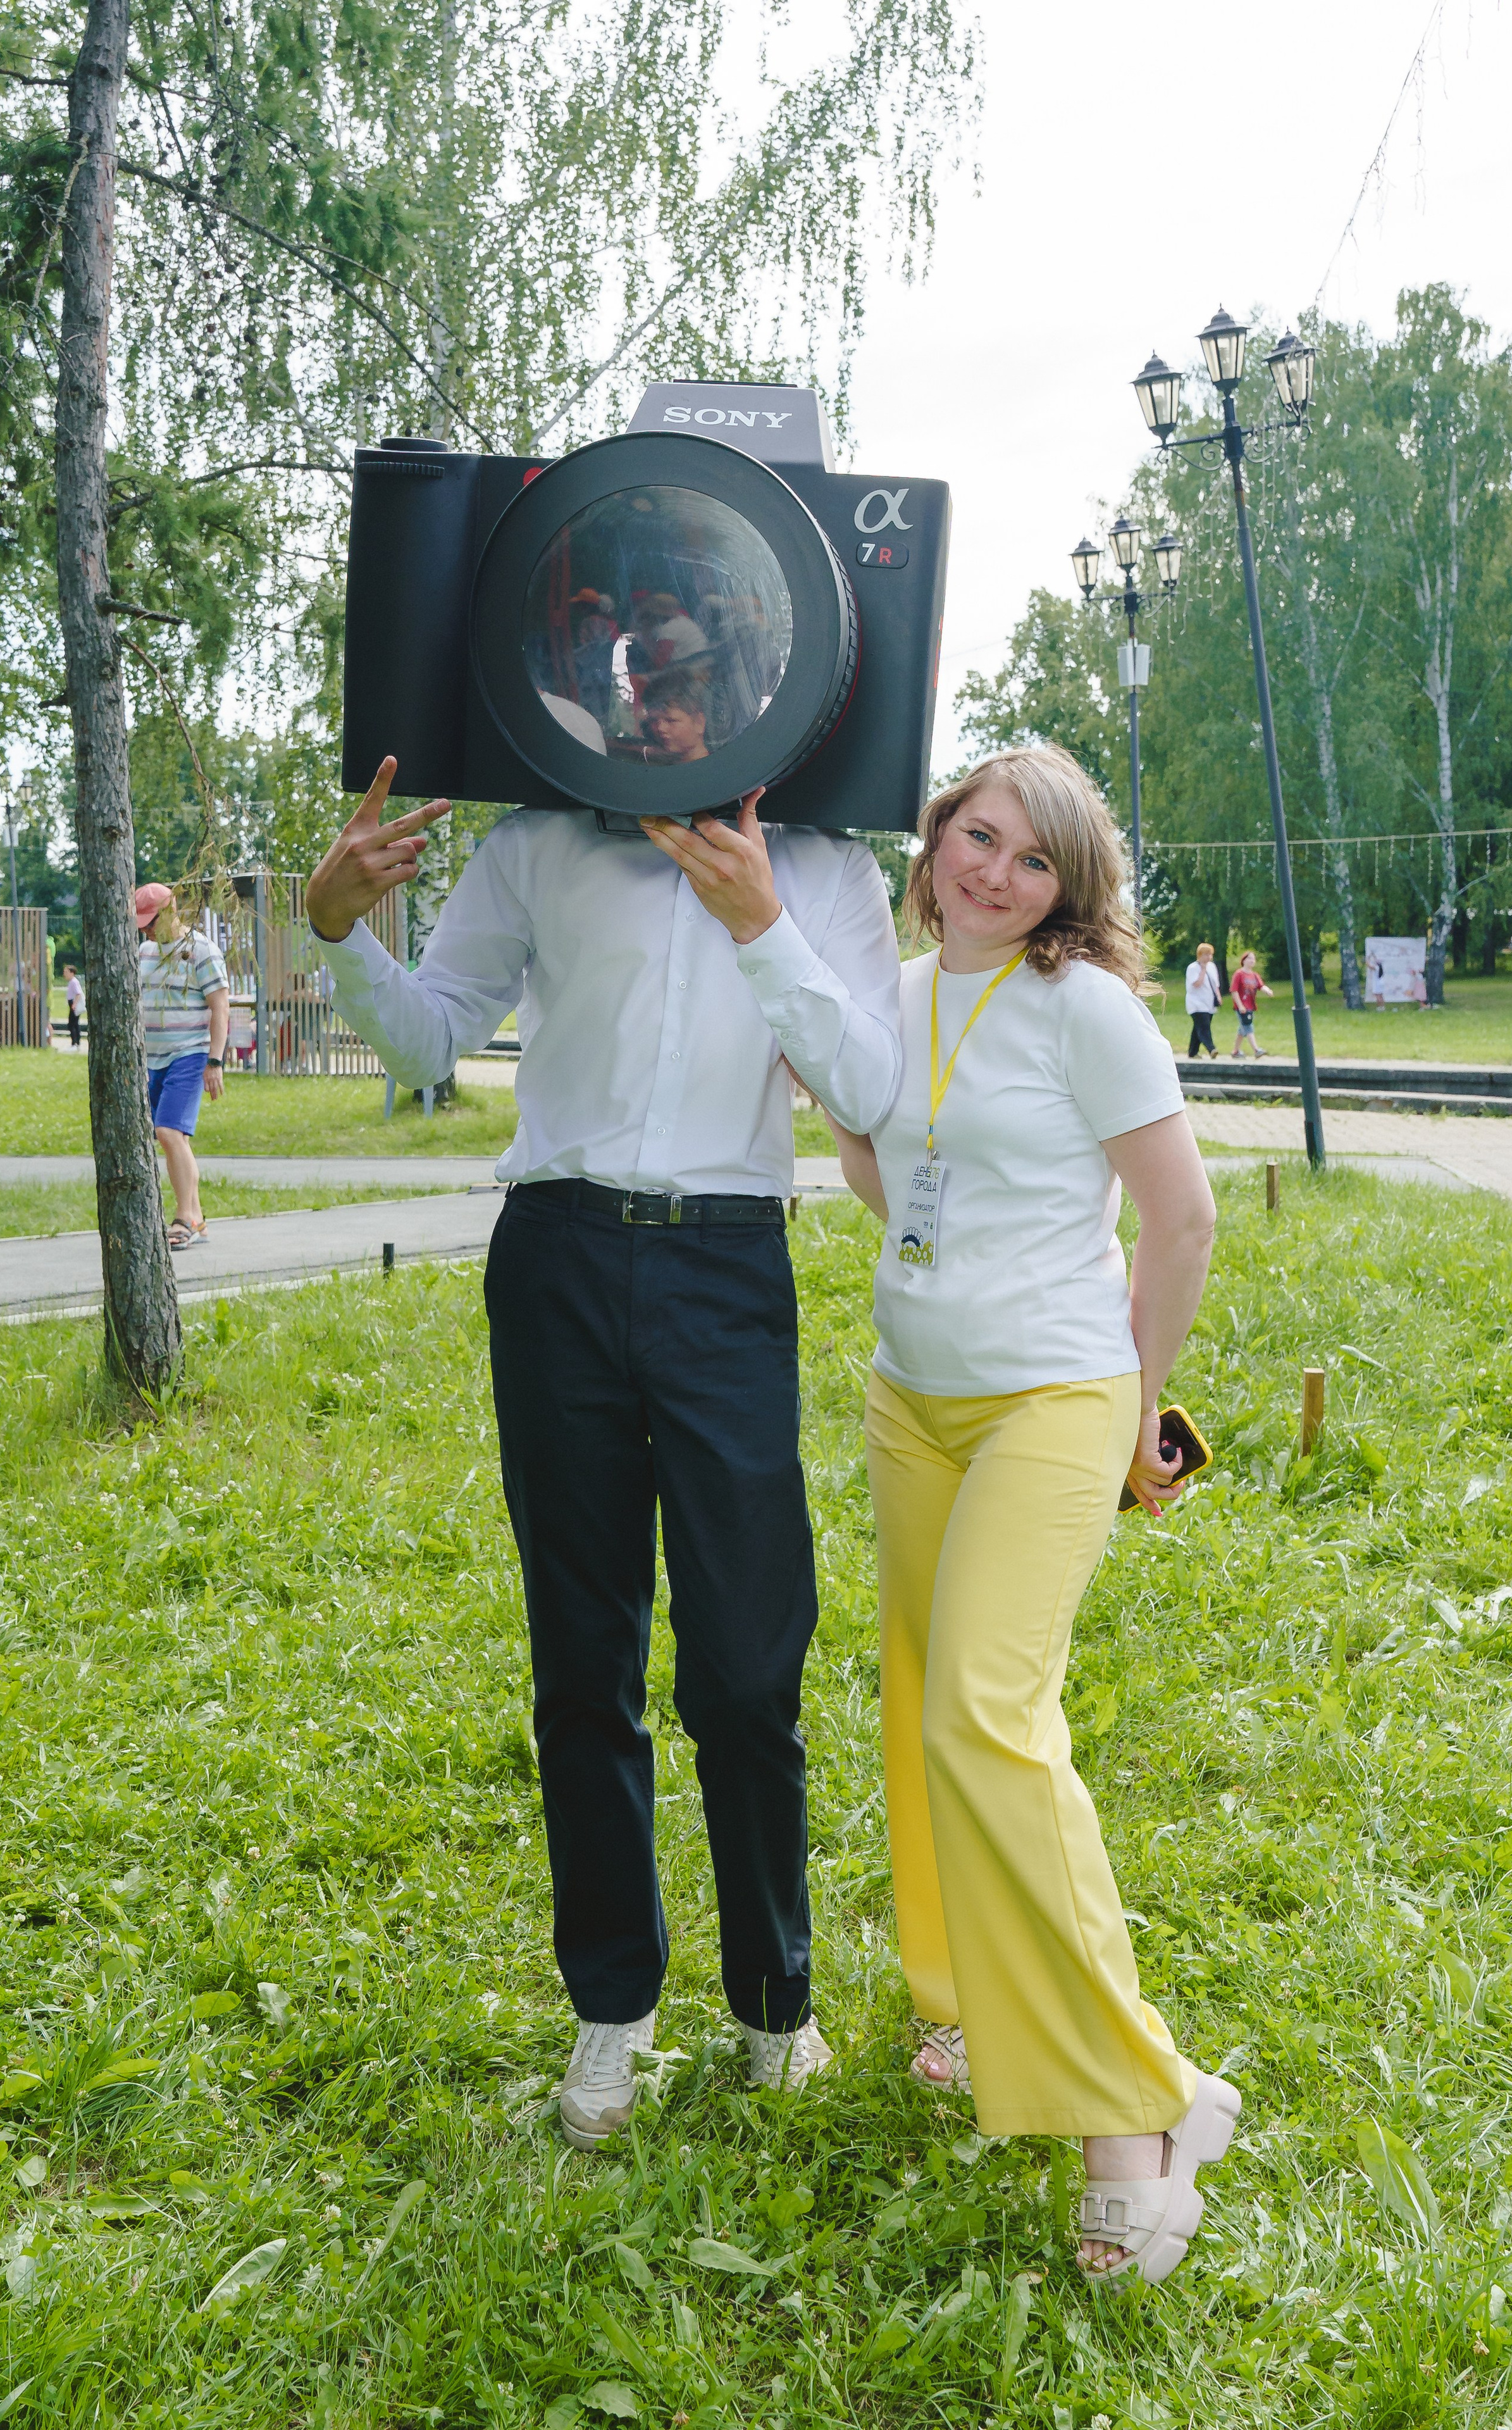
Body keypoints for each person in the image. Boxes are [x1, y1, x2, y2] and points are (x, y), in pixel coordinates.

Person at [303, 756, 902, 2148]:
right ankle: (611, 2009)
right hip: (559, 1255)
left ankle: (772, 2001)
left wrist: (762, 918)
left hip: (726, 1263)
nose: (678, 692)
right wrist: (335, 929)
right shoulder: (538, 844)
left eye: (712, 653)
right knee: (584, 1656)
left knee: (749, 1663)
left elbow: (866, 1084)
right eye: (650, 653)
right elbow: (425, 1040)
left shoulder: (826, 867)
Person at [819, 745, 1237, 2286]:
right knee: (920, 1700)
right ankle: (961, 1997)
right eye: (974, 838)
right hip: (908, 1396)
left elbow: (1178, 1216)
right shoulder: (903, 999)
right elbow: (892, 1176)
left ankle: (1136, 2112)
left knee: (988, 1716)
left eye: (1031, 858)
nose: (994, 873)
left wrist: (1137, 1402)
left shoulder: (1087, 1009)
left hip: (1056, 1396)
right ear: (931, 847)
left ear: (1067, 889)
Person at [135, 884, 229, 1249]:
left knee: (168, 1133)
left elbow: (220, 1007)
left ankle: (183, 1217)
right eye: (141, 924)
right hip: (151, 1060)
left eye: (151, 921)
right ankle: (199, 1218)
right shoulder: (144, 952)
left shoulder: (201, 950)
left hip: (188, 1055)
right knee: (177, 1140)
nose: (146, 930)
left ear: (171, 911)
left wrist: (215, 1062)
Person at [1228, 949, 1272, 1057]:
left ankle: (1235, 1052)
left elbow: (1261, 986)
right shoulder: (1239, 974)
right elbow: (1234, 991)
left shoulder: (1255, 975)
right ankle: (1256, 1050)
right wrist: (1240, 1005)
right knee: (1248, 1027)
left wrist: (1268, 991)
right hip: (1242, 1007)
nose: (1252, 961)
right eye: (1249, 958)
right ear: (1244, 961)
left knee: (1242, 1029)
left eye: (1253, 959)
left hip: (1251, 1006)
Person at [1184, 940, 1221, 1058]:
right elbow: (1197, 984)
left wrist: (1218, 996)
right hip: (1196, 1004)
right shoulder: (1193, 968)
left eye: (1210, 955)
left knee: (1198, 1028)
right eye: (1206, 954)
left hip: (1208, 1002)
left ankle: (1193, 1052)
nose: (1209, 957)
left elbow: (1215, 984)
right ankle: (1212, 1049)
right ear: (1200, 955)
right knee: (1204, 1026)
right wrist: (1203, 969)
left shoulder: (1213, 967)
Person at [63, 964, 85, 1050]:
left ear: (72, 973)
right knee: (75, 1024)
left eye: (66, 972)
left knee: (72, 1024)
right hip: (72, 1004)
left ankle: (75, 1043)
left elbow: (78, 993)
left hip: (74, 1004)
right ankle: (77, 1043)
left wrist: (74, 1004)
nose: (64, 974)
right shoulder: (72, 982)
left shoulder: (74, 982)